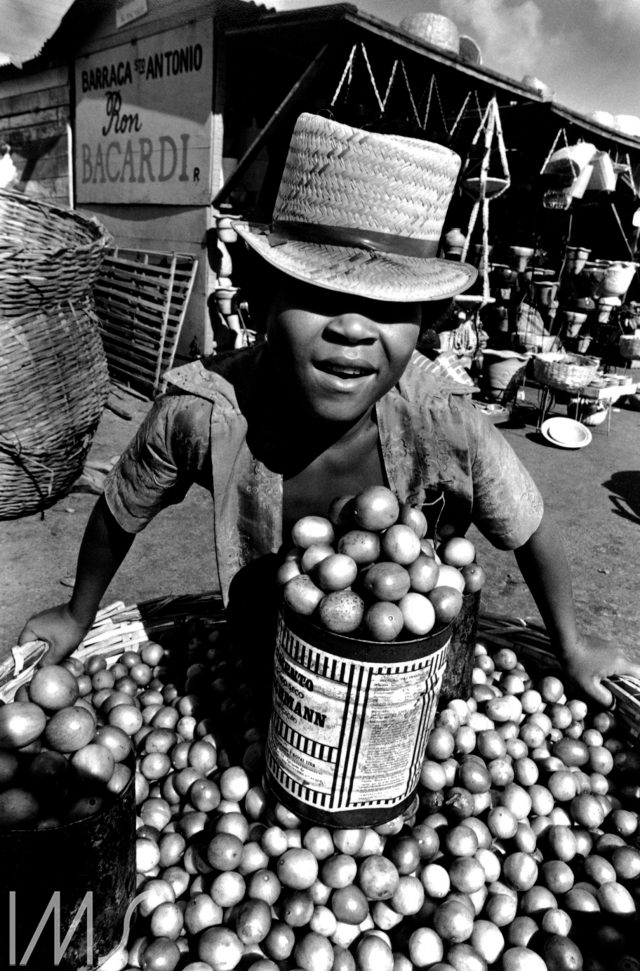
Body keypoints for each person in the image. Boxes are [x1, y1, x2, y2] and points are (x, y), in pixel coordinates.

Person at [18, 112, 640, 707]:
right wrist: (78, 613)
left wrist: (574, 646)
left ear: (425, 325)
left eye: (391, 307)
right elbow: (118, 511)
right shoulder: (202, 412)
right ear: (261, 304)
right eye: (318, 294)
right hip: (266, 675)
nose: (352, 328)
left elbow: (531, 529)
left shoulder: (444, 419)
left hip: (403, 687)